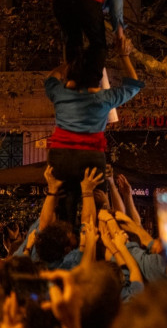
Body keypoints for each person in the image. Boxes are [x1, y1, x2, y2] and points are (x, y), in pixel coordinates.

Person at [45, 35, 144, 224]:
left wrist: (69, 64)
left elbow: (51, 78)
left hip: (61, 157)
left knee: (64, 212)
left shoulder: (59, 93)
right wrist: (124, 55)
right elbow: (133, 84)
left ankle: (65, 242)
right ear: (97, 77)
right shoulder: (104, 98)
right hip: (90, 157)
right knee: (99, 209)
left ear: (71, 74)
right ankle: (95, 243)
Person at [51, 0, 126, 89]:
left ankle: (72, 79)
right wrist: (121, 38)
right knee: (99, 44)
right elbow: (117, 14)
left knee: (72, 39)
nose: (105, 12)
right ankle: (92, 83)